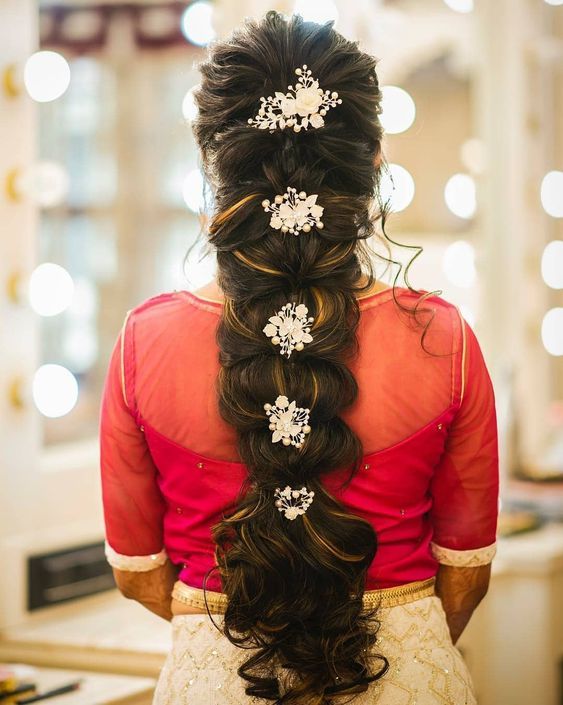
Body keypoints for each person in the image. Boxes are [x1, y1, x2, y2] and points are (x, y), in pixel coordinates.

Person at [99, 11, 499, 705]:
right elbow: (463, 574)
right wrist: (402, 637)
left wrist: (231, 633)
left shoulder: (143, 340)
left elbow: (138, 573)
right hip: (401, 678)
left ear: (216, 165)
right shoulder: (446, 340)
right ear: (370, 163)